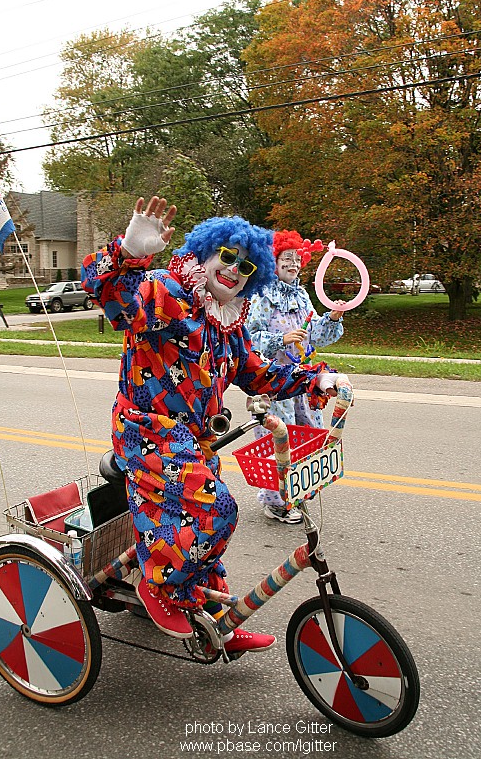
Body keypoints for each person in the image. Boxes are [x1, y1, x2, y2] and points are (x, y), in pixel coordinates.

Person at [81, 196, 343, 653]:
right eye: (226, 256)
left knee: (211, 529)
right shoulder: (168, 291)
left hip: (193, 439)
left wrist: (316, 377)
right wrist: (126, 254)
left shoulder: (230, 321)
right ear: (205, 254)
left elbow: (257, 372)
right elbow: (115, 301)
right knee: (216, 509)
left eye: (245, 266)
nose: (234, 270)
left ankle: (215, 620)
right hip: (147, 430)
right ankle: (160, 587)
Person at [247, 229, 345, 524]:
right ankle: (277, 502)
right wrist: (282, 338)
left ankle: (295, 493)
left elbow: (316, 334)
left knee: (306, 435)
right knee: (280, 437)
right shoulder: (262, 293)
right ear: (273, 262)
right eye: (285, 258)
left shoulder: (301, 295)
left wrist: (333, 316)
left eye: (296, 258)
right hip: (273, 381)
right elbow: (249, 337)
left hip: (301, 380)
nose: (293, 263)